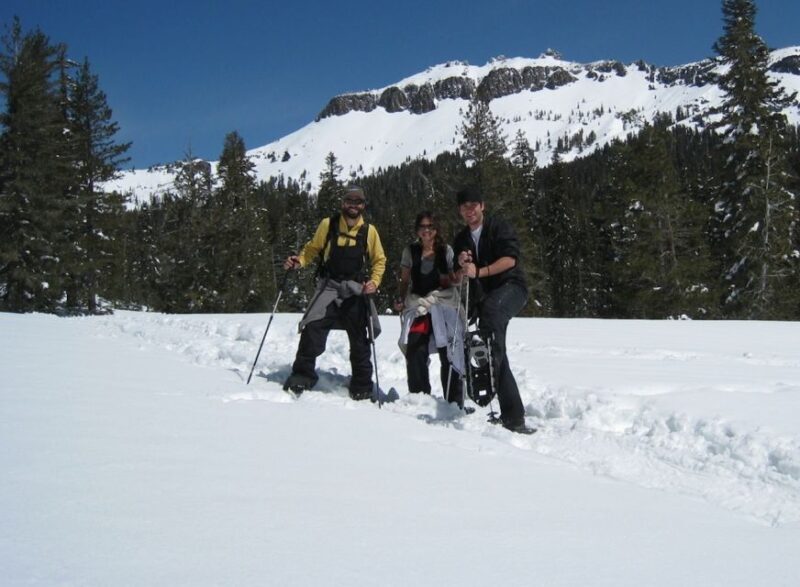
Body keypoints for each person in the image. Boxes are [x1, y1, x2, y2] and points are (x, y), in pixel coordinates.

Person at [283, 186, 387, 400]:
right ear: (343, 203)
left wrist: (374, 283)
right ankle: (302, 375)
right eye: (350, 201)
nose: (353, 205)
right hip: (329, 286)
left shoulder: (369, 231)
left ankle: (362, 384)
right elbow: (313, 249)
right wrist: (299, 261)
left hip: (354, 290)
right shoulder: (328, 225)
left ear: (363, 206)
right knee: (312, 327)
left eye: (358, 202)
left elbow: (379, 260)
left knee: (360, 336)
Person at [451, 186, 534, 434]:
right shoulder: (461, 239)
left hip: (511, 287)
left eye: (473, 205)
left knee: (491, 335)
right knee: (494, 347)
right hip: (486, 298)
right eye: (465, 206)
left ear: (482, 206)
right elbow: (458, 275)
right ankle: (512, 414)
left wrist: (480, 271)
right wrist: (461, 263)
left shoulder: (498, 227)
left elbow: (511, 259)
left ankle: (513, 416)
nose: (470, 210)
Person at [394, 212, 464, 404]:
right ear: (417, 229)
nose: (427, 231)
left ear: (436, 229)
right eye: (423, 227)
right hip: (421, 305)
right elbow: (405, 278)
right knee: (415, 345)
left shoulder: (445, 251)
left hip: (443, 304)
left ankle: (455, 400)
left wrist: (458, 275)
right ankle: (419, 397)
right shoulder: (411, 251)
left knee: (450, 347)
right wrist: (401, 298)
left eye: (430, 226)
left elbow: (453, 279)